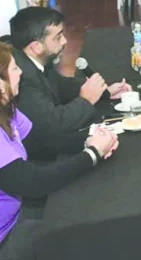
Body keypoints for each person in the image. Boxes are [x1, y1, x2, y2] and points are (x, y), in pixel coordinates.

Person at [0, 42, 119, 260]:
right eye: (15, 69)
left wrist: (90, 139)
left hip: (17, 218)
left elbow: (41, 144)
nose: (21, 74)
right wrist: (92, 154)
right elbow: (32, 182)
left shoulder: (9, 110)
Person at [9, 7, 131, 161]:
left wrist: (104, 91)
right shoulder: (23, 79)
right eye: (58, 37)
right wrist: (86, 100)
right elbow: (53, 125)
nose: (65, 41)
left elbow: (62, 86)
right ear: (36, 47)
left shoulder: (36, 62)